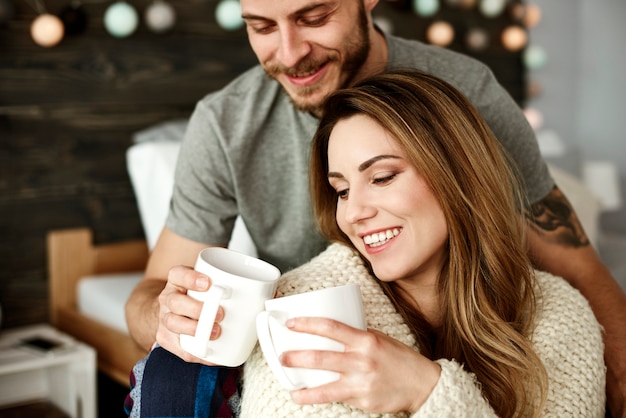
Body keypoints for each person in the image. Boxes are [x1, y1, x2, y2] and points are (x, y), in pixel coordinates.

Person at [124, 0, 626, 415]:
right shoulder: (225, 124)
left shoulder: (467, 94)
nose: (290, 52)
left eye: (314, 17)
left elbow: (575, 262)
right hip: (321, 332)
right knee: (171, 374)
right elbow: (151, 293)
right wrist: (171, 316)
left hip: (478, 329)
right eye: (261, 26)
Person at [238, 69, 606, 417]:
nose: (353, 213)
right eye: (342, 191)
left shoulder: (559, 316)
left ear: (458, 173)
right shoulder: (301, 308)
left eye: (382, 177)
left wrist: (427, 390)